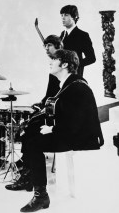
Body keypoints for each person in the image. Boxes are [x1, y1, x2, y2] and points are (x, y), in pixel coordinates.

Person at [18, 49, 104, 212]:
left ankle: (41, 195)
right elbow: (67, 116)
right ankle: (31, 182)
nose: (50, 62)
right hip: (74, 133)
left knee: (35, 144)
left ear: (64, 64)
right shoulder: (68, 84)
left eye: (54, 59)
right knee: (31, 136)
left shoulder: (77, 87)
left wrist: (52, 129)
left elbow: (76, 122)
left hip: (84, 138)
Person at [6, 35, 63, 192]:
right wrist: (40, 104)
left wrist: (45, 106)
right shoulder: (54, 65)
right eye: (45, 46)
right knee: (29, 126)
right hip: (51, 107)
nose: (46, 49)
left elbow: (60, 95)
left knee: (31, 129)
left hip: (58, 115)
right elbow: (50, 94)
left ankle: (27, 173)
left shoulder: (62, 66)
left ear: (58, 46)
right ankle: (26, 169)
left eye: (49, 45)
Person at [60, 5, 96, 76]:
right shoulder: (62, 34)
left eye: (66, 15)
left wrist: (74, 64)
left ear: (74, 17)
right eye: (62, 15)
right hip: (61, 75)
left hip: (75, 76)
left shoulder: (83, 35)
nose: (63, 18)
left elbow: (91, 58)